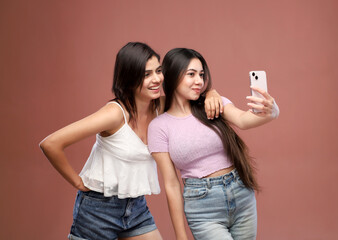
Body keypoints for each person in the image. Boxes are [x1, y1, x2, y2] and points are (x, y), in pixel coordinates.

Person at [39, 42, 223, 240]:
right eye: (146, 75)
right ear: (129, 78)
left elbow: (193, 94)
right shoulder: (114, 114)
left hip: (135, 208)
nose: (156, 79)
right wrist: (77, 182)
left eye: (158, 71)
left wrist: (211, 93)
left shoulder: (161, 106)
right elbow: (51, 143)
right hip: (98, 210)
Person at [147, 48, 280, 240]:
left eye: (201, 74)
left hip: (241, 193)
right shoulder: (159, 127)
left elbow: (244, 120)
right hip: (203, 207)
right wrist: (180, 236)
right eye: (191, 74)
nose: (199, 81)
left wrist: (272, 111)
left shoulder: (213, 104)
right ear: (173, 75)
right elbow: (171, 184)